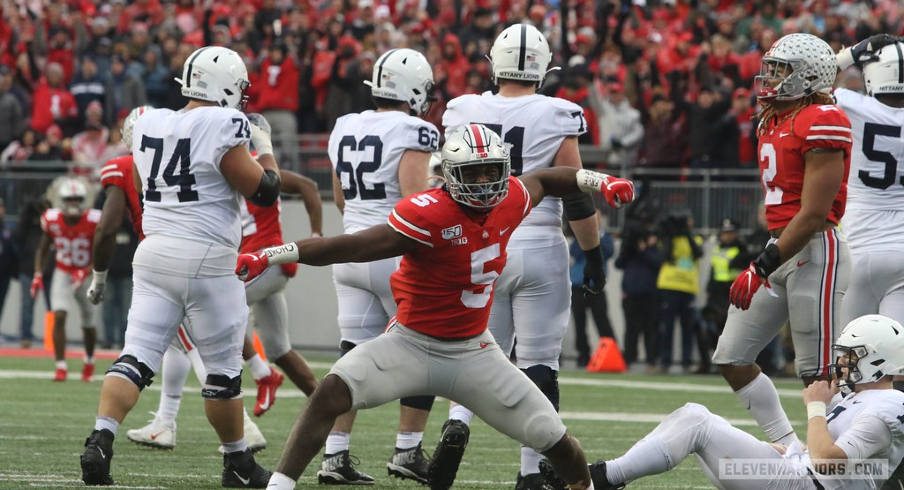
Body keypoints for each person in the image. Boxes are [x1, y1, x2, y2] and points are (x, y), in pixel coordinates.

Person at [235, 124, 635, 490]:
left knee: (559, 443)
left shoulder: (510, 196)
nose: (483, 182)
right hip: (410, 343)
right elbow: (350, 246)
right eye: (473, 173)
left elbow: (550, 177)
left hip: (475, 351)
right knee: (330, 394)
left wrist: (602, 181)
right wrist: (272, 254)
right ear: (449, 175)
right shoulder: (428, 214)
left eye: (491, 171)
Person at [79, 46, 278, 488]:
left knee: (136, 356)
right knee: (224, 372)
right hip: (206, 256)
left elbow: (140, 185)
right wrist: (263, 149)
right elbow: (263, 191)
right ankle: (237, 463)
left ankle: (100, 440)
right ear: (223, 83)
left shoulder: (149, 119)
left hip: (154, 252)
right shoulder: (224, 123)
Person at [439, 24, 609, 489]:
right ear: (545, 68)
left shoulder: (464, 108)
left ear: (495, 64)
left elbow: (447, 186)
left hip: (481, 244)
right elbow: (575, 193)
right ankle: (532, 471)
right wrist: (592, 254)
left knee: (475, 351)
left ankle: (459, 421)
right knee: (538, 362)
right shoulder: (557, 113)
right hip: (537, 242)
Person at [542, 314, 904, 490]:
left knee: (698, 422)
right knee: (693, 417)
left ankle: (597, 479)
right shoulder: (862, 398)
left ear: (878, 359)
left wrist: (815, 408)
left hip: (804, 485)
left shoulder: (887, 406)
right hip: (797, 476)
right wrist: (792, 450)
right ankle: (598, 478)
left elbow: (828, 464)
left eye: (851, 355)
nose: (842, 363)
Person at [712, 32, 852, 448]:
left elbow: (812, 215)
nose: (770, 78)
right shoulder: (774, 117)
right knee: (731, 357)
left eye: (781, 70)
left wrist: (759, 266)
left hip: (816, 250)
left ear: (808, 77)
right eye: (770, 68)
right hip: (780, 249)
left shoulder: (822, 118)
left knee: (819, 373)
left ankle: (853, 457)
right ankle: (792, 449)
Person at [318, 47, 439, 486]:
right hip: (392, 253)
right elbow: (415, 203)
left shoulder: (345, 125)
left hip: (350, 248)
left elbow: (340, 197)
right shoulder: (414, 129)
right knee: (427, 351)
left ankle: (334, 455)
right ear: (412, 89)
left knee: (352, 353)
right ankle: (407, 449)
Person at [834, 35, 904, 490]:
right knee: (896, 372)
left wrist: (848, 55)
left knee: (848, 366)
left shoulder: (852, 104)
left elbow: (809, 82)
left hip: (858, 246)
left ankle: (842, 458)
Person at [32, 177, 101, 382]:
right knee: (59, 315)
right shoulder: (51, 219)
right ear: (61, 200)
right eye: (69, 199)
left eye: (77, 199)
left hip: (87, 274)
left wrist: (88, 270)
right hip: (63, 271)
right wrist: (37, 273)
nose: (73, 204)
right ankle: (61, 365)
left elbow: (102, 250)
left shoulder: (94, 220)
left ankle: (89, 360)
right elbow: (43, 249)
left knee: (88, 322)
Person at [569, 210, 616, 368]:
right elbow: (574, 252)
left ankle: (612, 352)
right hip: (578, 285)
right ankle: (583, 356)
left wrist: (594, 235)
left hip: (596, 287)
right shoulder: (579, 236)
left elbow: (608, 253)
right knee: (579, 323)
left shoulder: (605, 237)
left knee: (602, 321)